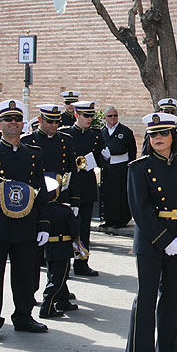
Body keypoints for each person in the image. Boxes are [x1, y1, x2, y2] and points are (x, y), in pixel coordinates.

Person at [124, 112, 177, 352]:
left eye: (163, 133)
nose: (158, 138)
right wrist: (164, 240)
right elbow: (140, 209)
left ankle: (168, 351)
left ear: (172, 137)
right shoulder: (139, 167)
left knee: (172, 297)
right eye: (153, 134)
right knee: (146, 298)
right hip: (151, 239)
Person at [0, 99, 50, 342]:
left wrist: (44, 224)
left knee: (24, 275)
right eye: (8, 120)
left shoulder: (33, 154)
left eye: (17, 119)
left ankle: (23, 316)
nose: (13, 123)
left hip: (26, 225)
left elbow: (40, 190)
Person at [21, 104, 80, 312]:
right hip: (36, 201)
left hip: (59, 200)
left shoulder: (65, 141)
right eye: (50, 121)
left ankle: (60, 295)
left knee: (60, 250)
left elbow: (72, 172)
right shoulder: (27, 142)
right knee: (35, 254)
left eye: (57, 121)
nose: (54, 125)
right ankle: (29, 295)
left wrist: (74, 202)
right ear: (40, 120)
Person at [60, 101, 106, 277]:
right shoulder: (65, 133)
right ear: (76, 115)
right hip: (69, 186)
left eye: (91, 116)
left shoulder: (95, 135)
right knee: (66, 227)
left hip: (86, 185)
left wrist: (102, 158)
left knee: (84, 228)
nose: (89, 119)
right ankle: (63, 263)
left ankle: (82, 261)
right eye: (86, 116)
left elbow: (102, 162)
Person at [39, 174, 80, 318]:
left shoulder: (42, 210)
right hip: (62, 247)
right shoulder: (64, 210)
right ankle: (47, 306)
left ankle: (63, 301)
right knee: (58, 278)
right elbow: (74, 230)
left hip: (49, 248)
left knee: (55, 275)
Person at [100, 106, 137, 228]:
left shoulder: (125, 131)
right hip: (107, 168)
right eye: (110, 116)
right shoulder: (102, 132)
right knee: (108, 193)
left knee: (120, 194)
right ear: (105, 117)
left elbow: (132, 150)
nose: (113, 118)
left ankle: (121, 220)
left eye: (115, 115)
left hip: (121, 167)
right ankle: (108, 218)